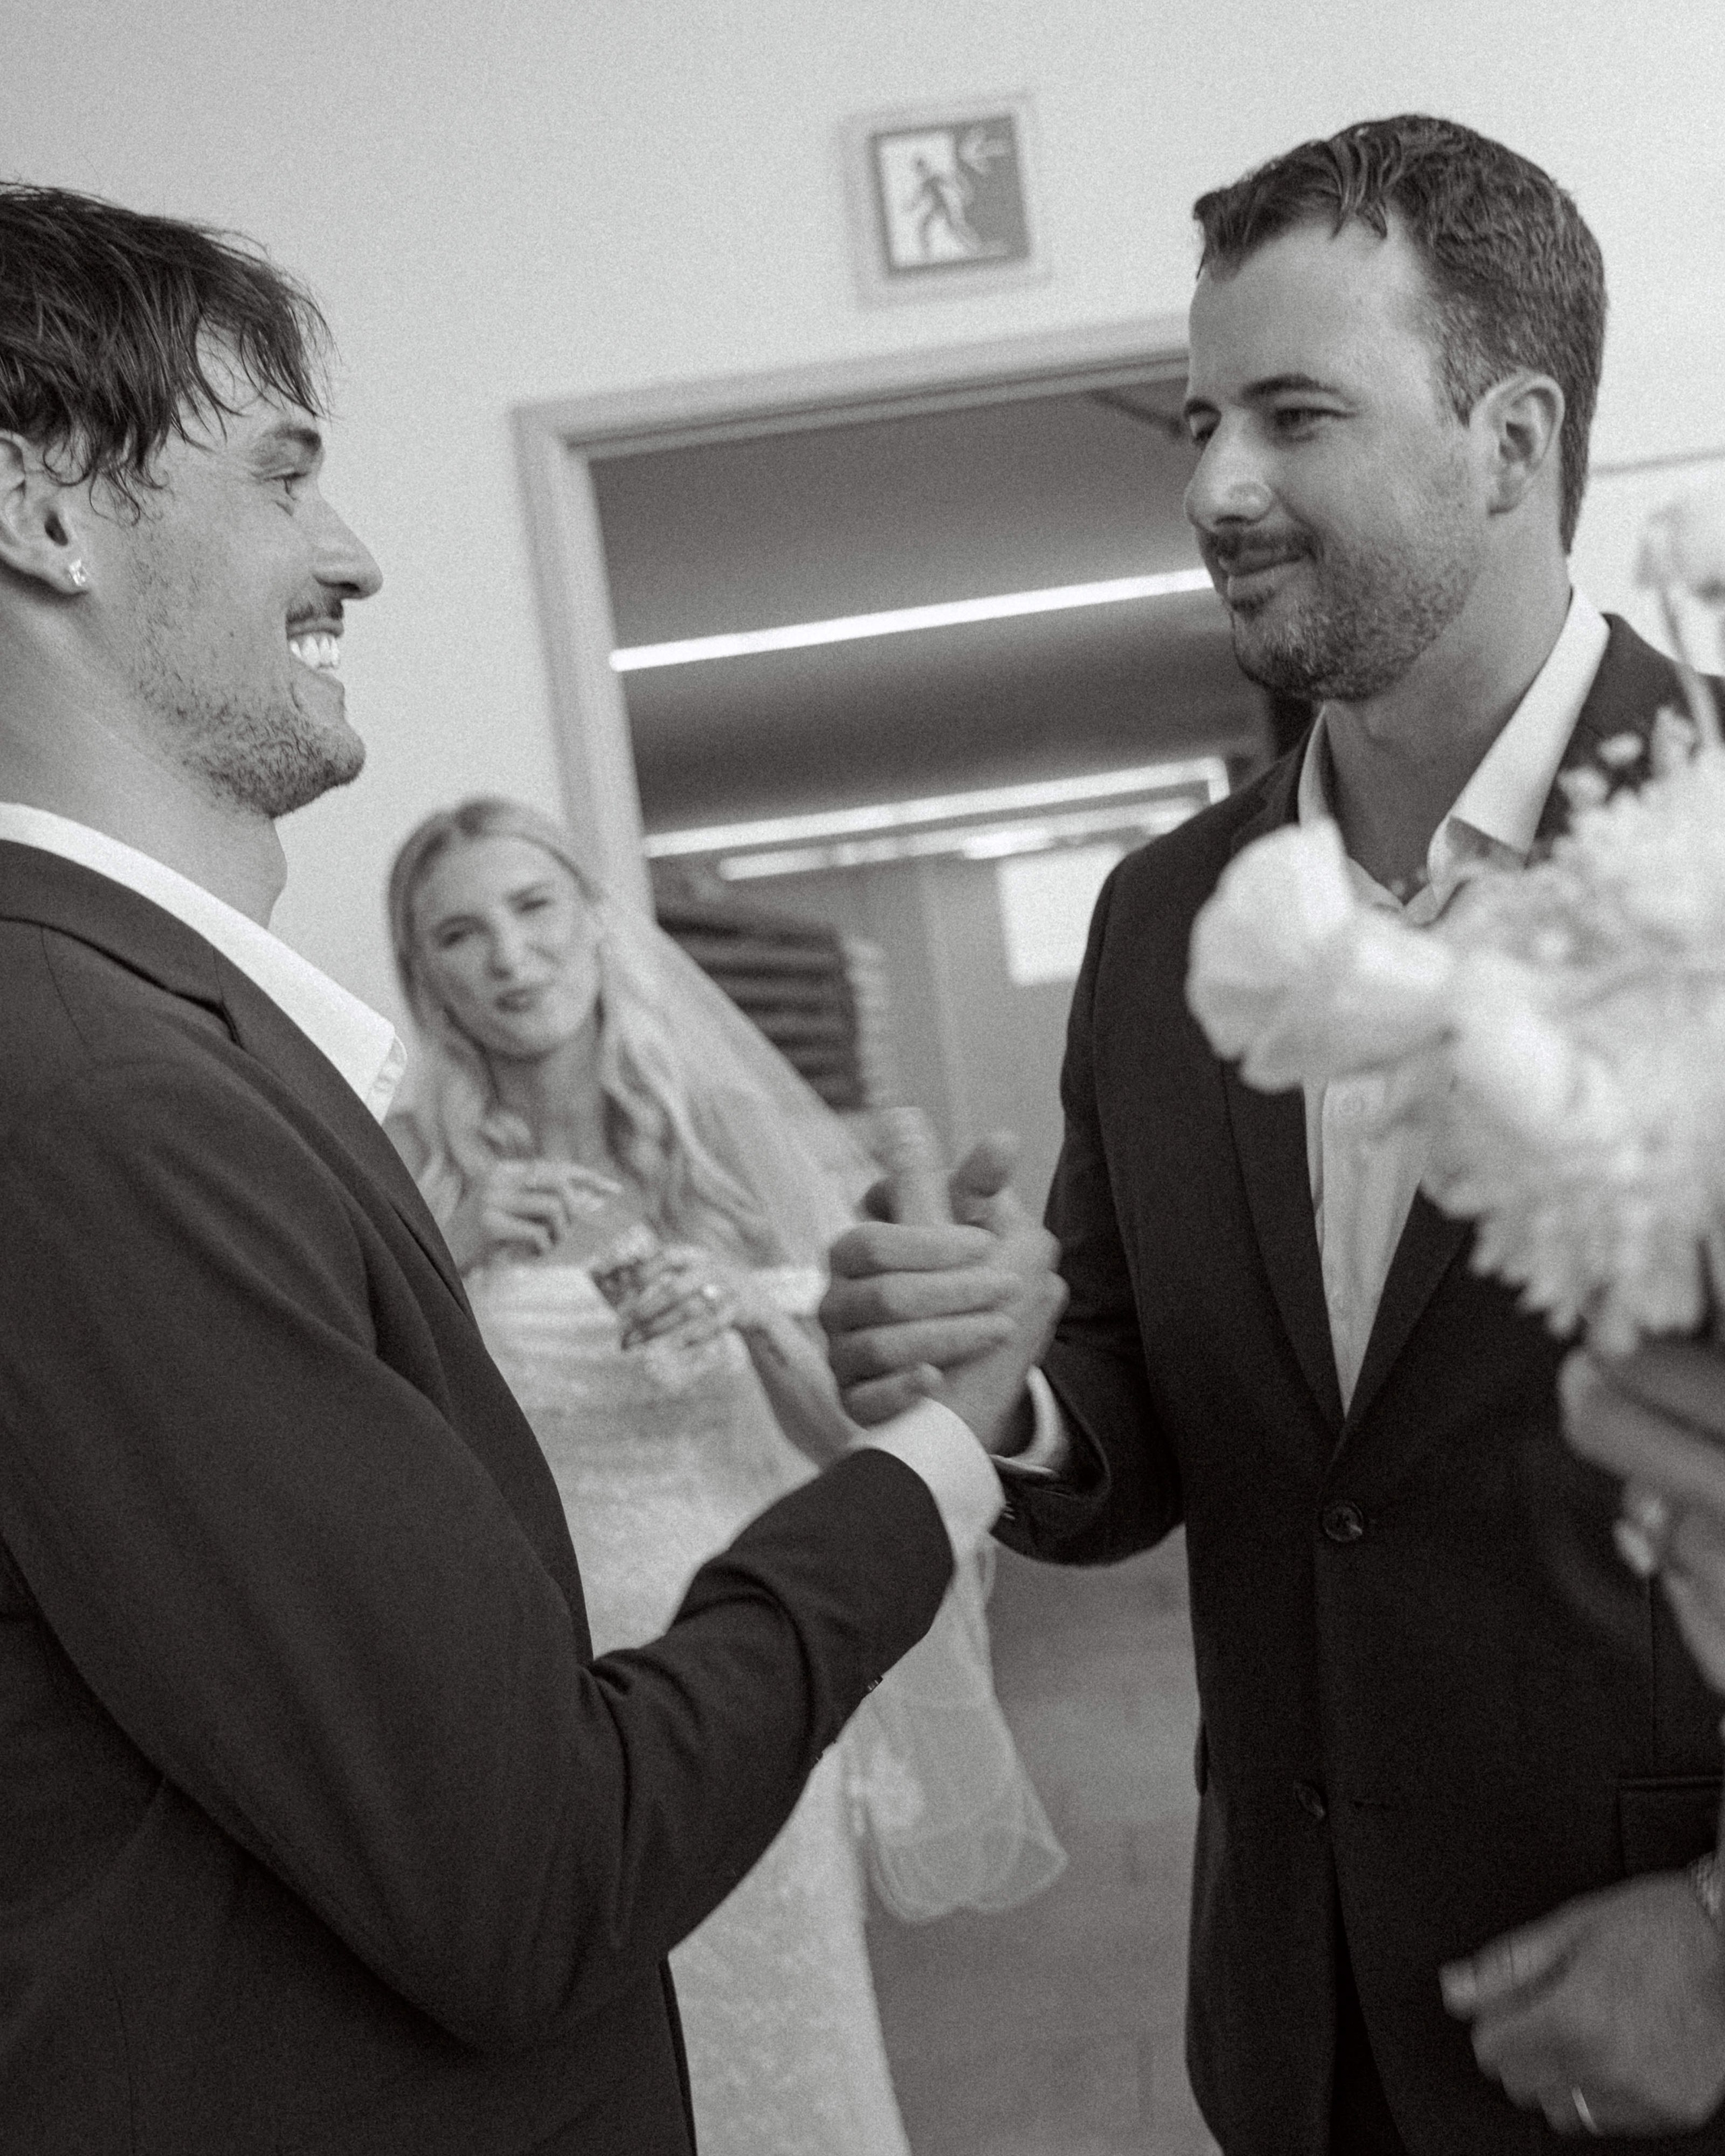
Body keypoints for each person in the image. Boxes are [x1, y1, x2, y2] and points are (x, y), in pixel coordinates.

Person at [0, 183, 1061, 2156]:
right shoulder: (94, 1100)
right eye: (283, 474)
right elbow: (537, 1874)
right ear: (43, 509)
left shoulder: (138, 1048)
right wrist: (933, 1454)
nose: (357, 556)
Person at [820, 116, 1725, 2152]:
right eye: (1201, 417)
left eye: (1296, 413)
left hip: (1662, 2020)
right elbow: (1153, 1399)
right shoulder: (1167, 921)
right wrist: (1011, 1397)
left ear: (1511, 437)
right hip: (1298, 2026)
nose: (1217, 488)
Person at [383, 795, 1064, 2156]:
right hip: (543, 1665)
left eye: (531, 909)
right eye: (460, 933)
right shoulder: (404, 1170)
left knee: (784, 2010)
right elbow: (371, 1450)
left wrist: (753, 1317)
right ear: (426, 974)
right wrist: (444, 1259)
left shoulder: (729, 1141)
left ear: (591, 914)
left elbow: (856, 1451)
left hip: (734, 1634)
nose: (509, 957)